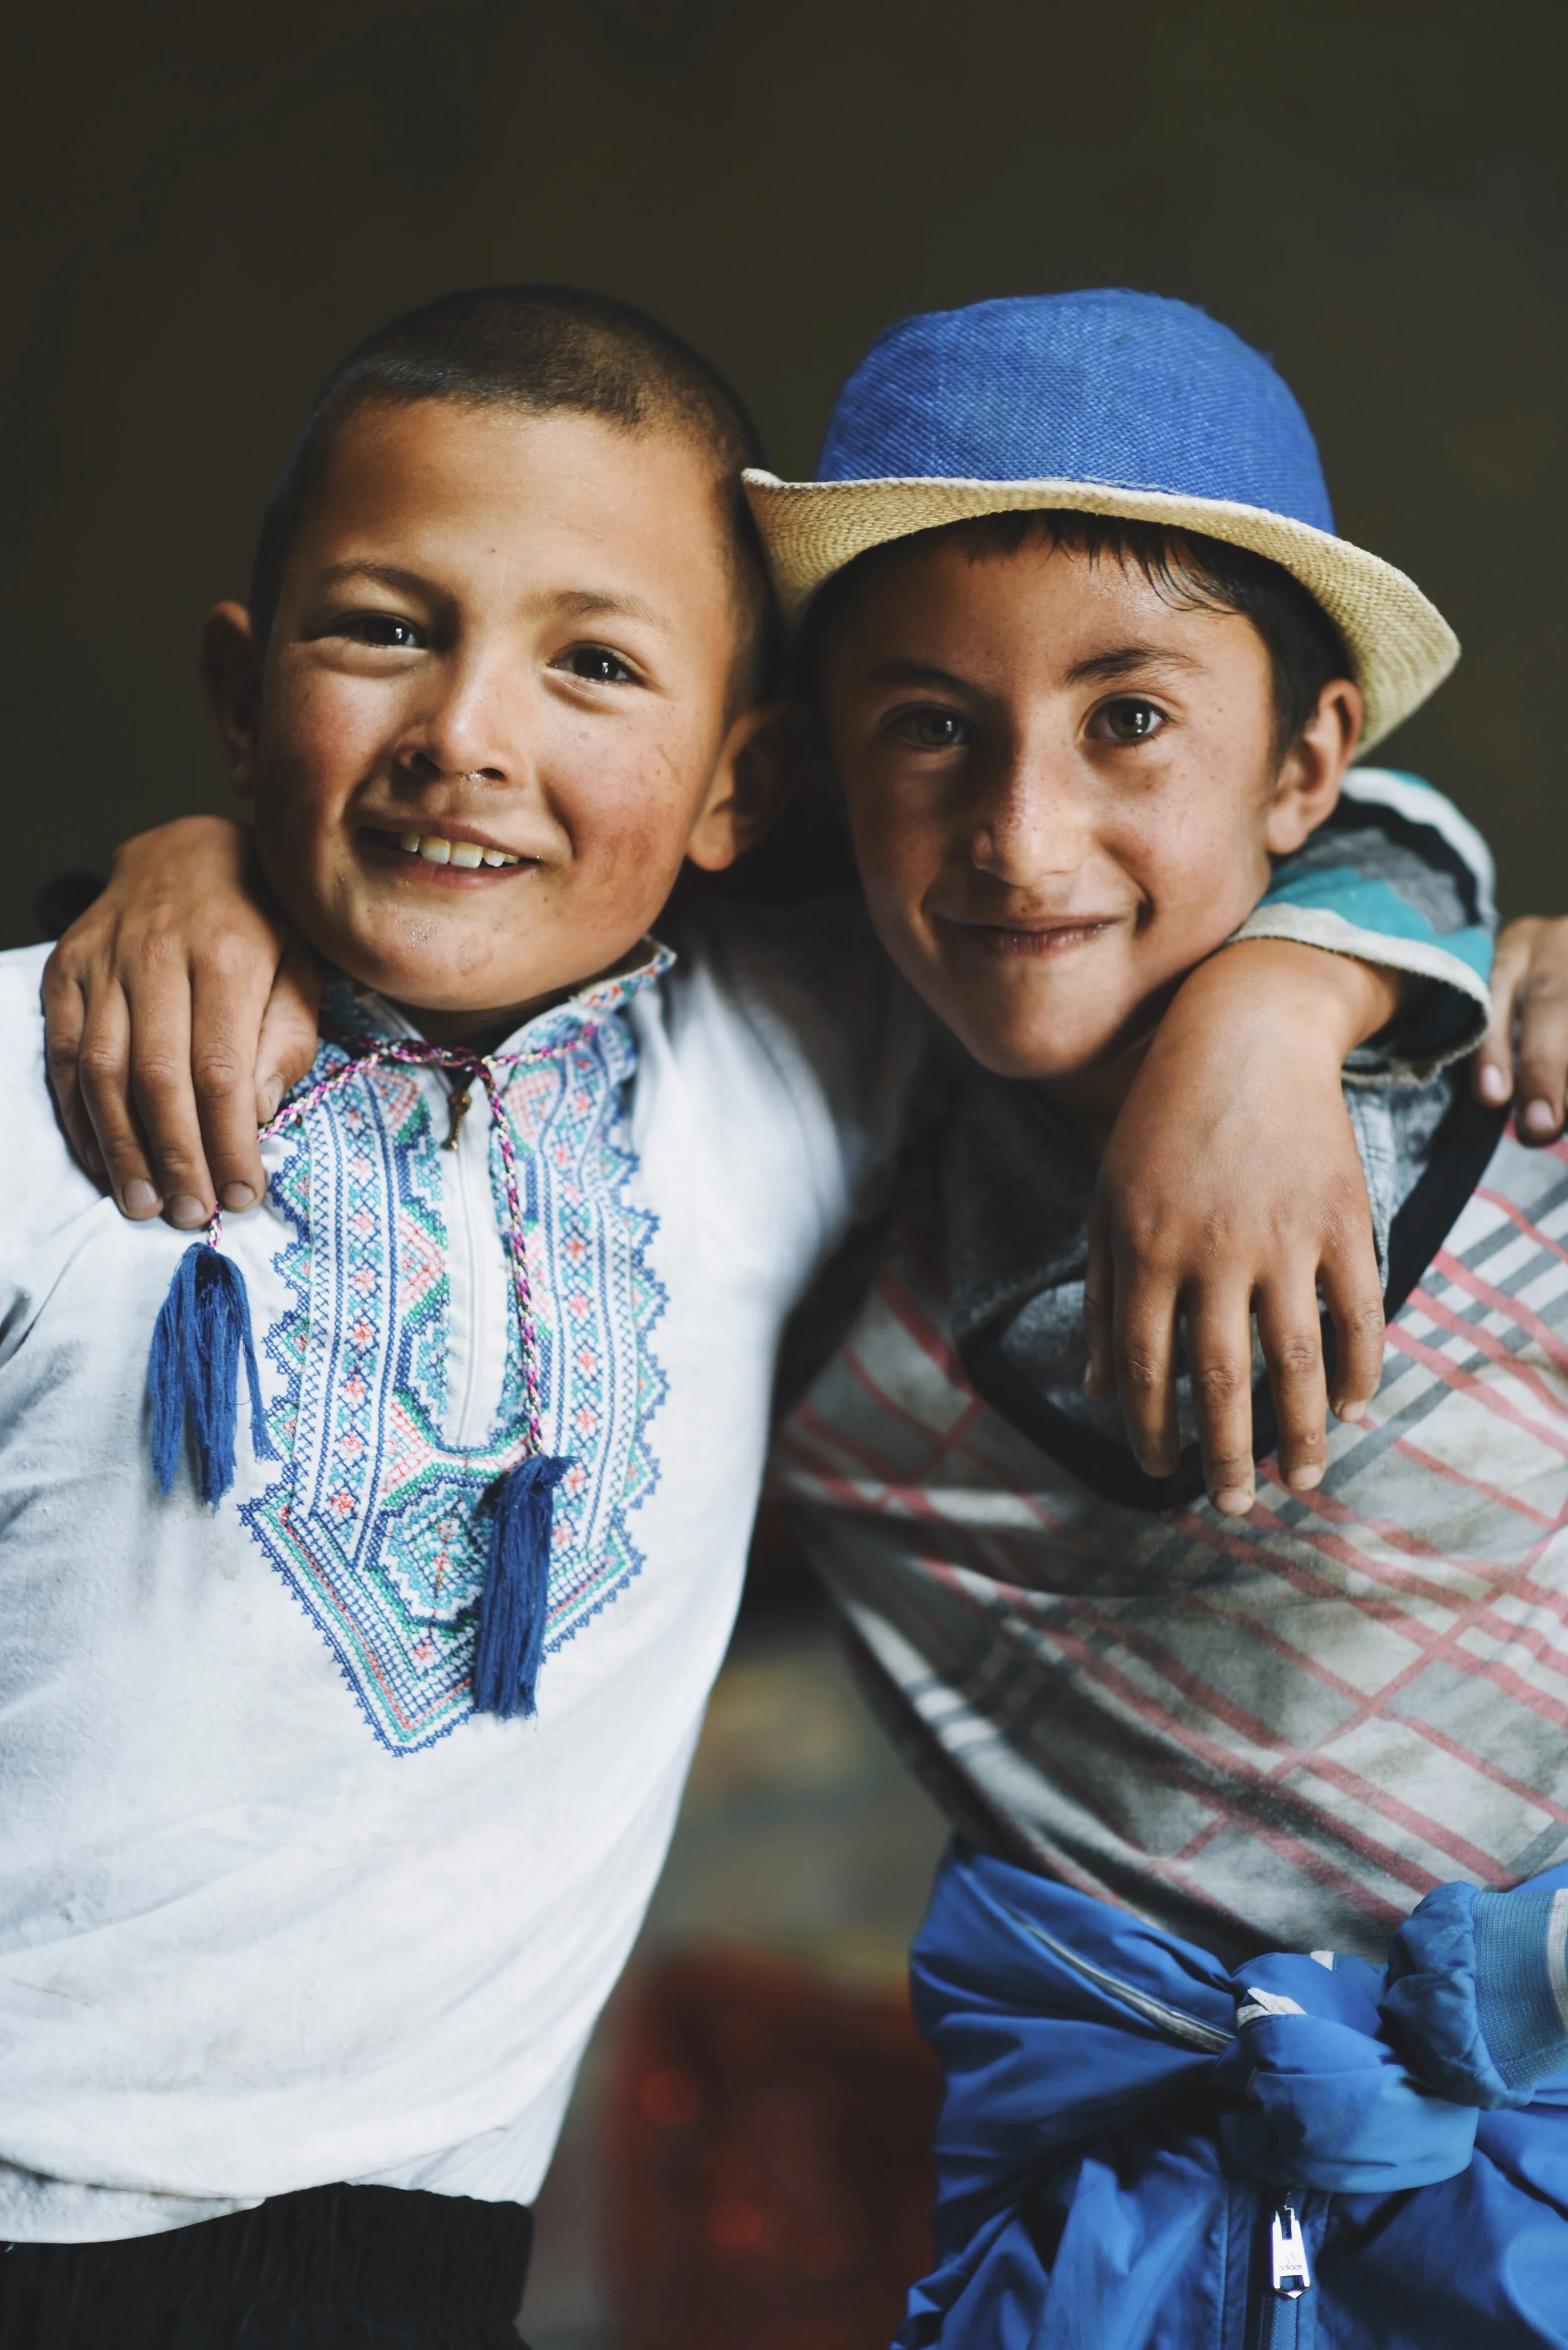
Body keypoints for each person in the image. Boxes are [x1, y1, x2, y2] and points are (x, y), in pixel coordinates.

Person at [0, 282, 1473, 2349]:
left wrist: (1278, 1007)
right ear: (242, 696)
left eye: (594, 664)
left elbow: (1292, 833)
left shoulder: (791, 1051)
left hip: (420, 2250)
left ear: (738, 785)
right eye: (384, 631)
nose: (468, 735)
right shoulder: (54, 1074)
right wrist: (171, 868)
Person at [741, 290, 1568, 2344]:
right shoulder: (809, 1211)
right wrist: (195, 869)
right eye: (927, 726)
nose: (1020, 835)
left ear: (1307, 762)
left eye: (1126, 720)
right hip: (1128, 2256)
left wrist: (1284, 1001)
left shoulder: (1526, 1112)